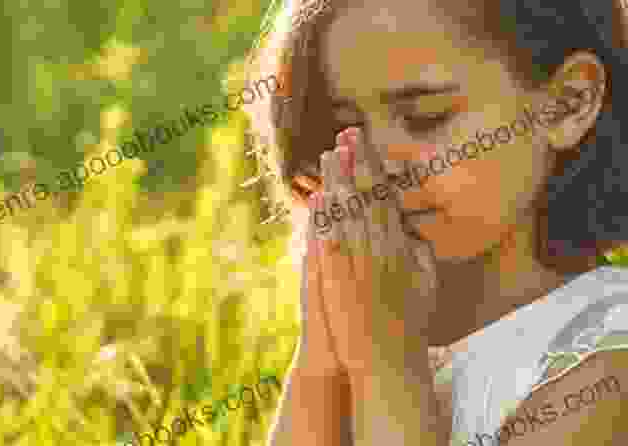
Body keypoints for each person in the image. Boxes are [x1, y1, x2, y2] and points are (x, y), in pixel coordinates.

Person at [241, 0, 628, 445]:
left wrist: (390, 366)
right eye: (346, 129)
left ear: (567, 103)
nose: (381, 161)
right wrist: (322, 356)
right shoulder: (372, 317)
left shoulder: (601, 361)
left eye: (425, 118)